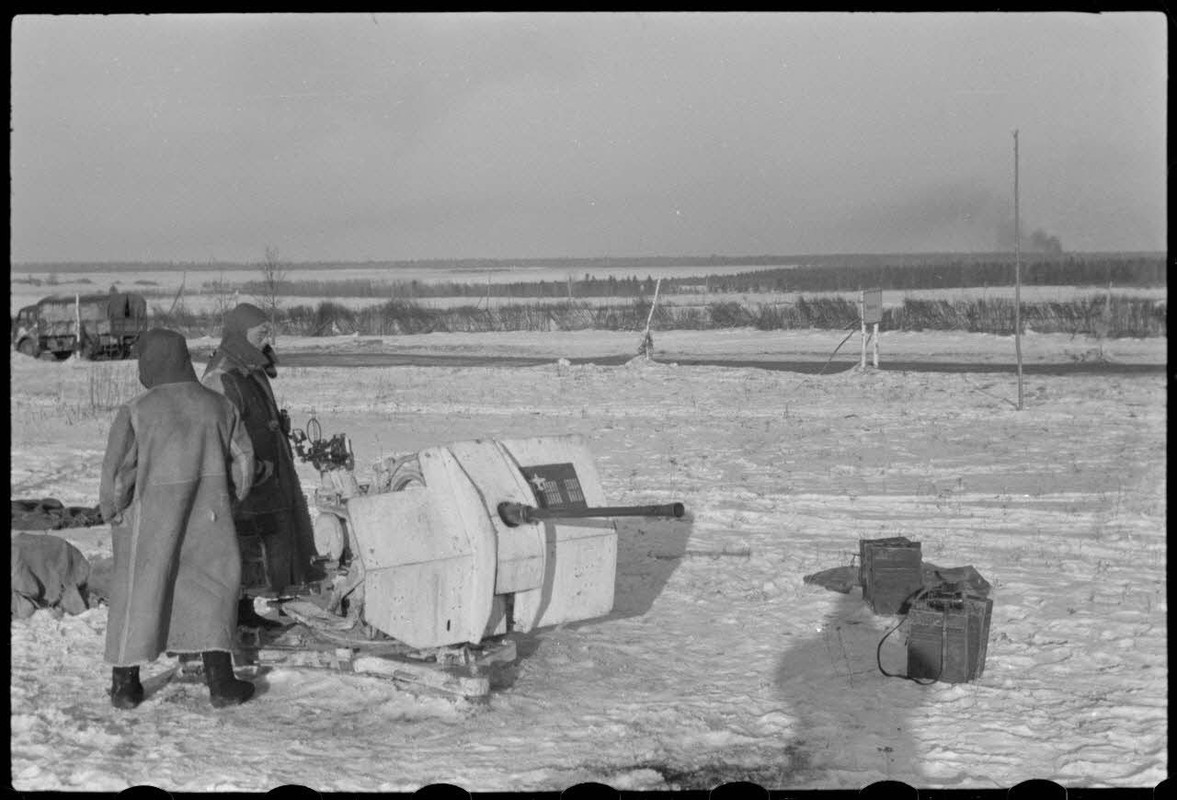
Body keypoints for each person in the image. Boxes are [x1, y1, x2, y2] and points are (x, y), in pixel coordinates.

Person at [100, 328, 256, 709]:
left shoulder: (137, 411)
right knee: (210, 591)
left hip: (148, 521)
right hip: (210, 514)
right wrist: (227, 501)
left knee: (138, 593)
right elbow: (244, 464)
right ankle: (221, 683)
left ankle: (125, 686)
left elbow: (118, 476)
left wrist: (115, 512)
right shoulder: (219, 406)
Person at [201, 303, 321, 625]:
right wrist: (248, 469)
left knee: (273, 539)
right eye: (261, 330)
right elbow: (220, 431)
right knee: (246, 544)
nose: (268, 336)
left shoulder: (249, 365)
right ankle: (239, 612)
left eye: (268, 329)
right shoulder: (222, 374)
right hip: (246, 479)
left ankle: (268, 601)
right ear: (242, 332)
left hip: (268, 474)